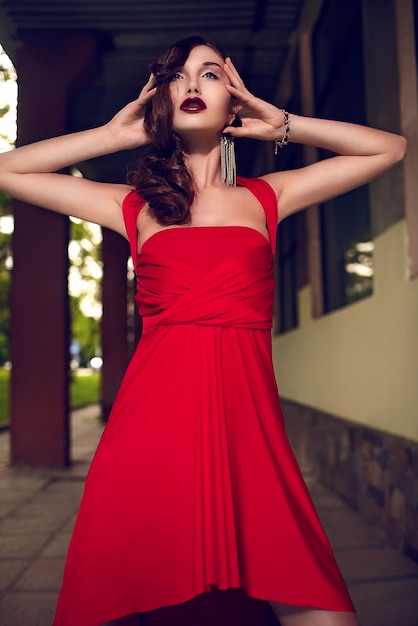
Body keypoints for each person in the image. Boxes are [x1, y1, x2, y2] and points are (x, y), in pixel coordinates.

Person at [0, 36, 406, 626]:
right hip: (149, 431)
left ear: (232, 101)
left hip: (250, 433)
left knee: (323, 611)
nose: (192, 85)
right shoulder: (132, 207)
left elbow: (388, 150)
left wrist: (281, 124)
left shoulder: (269, 197)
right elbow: (7, 170)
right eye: (177, 77)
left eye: (210, 74)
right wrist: (113, 137)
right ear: (160, 99)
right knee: (121, 596)